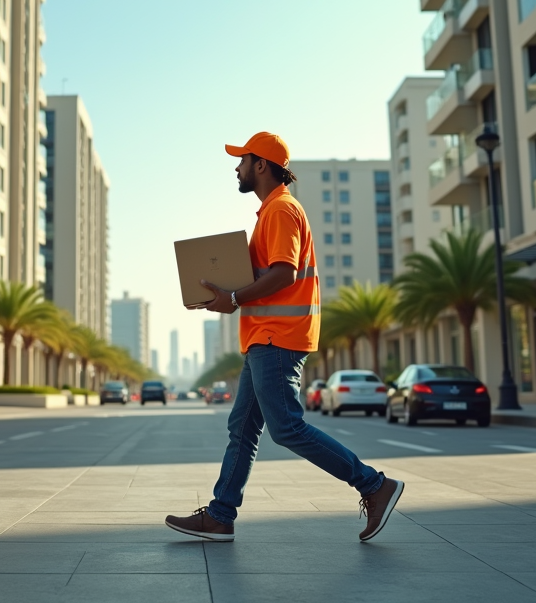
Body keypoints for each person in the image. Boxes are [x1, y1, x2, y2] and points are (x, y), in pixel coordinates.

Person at [165, 132, 403, 543]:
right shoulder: (270, 214)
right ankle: (221, 516)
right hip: (264, 338)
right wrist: (217, 293)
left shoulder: (280, 211)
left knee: (287, 428)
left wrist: (234, 297)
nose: (236, 167)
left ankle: (374, 485)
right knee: (242, 429)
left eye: (242, 160)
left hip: (277, 338)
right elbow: (265, 273)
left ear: (261, 165)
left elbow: (284, 272)